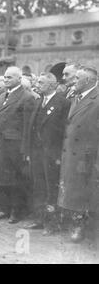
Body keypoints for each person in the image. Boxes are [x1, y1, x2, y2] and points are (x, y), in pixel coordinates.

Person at [0, 66, 37, 224]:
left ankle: (16, 212)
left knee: (15, 181)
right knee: (0, 178)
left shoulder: (26, 97)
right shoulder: (2, 96)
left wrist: (25, 150)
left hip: (13, 146)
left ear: (19, 79)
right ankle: (3, 209)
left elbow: (27, 126)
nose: (6, 80)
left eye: (10, 77)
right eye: (5, 77)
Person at [23, 72, 70, 235]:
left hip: (51, 154)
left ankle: (52, 223)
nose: (38, 84)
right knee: (39, 186)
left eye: (41, 82)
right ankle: (40, 219)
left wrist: (58, 155)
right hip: (37, 152)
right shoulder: (39, 101)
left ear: (52, 85)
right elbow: (31, 128)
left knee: (52, 188)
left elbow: (64, 131)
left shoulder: (63, 103)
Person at [58, 66, 99, 243]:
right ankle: (76, 224)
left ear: (88, 81)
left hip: (87, 156)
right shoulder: (77, 98)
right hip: (72, 154)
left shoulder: (96, 99)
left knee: (83, 192)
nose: (73, 82)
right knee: (73, 191)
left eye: (77, 79)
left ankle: (81, 228)